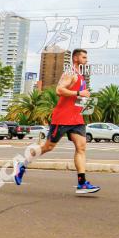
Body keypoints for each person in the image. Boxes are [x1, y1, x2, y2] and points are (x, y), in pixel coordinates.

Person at [14, 48, 100, 194]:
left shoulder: (80, 75)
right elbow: (59, 90)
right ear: (76, 58)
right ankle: (22, 165)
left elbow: (75, 97)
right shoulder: (70, 73)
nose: (87, 60)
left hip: (76, 118)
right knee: (48, 147)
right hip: (63, 118)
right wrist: (79, 92)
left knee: (81, 147)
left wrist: (84, 99)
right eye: (84, 57)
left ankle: (82, 183)